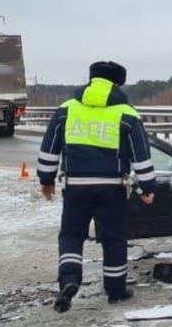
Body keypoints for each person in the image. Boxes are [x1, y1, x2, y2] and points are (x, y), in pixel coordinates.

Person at [37, 61, 157, 313]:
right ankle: (116, 290)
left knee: (71, 235)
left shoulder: (66, 110)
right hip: (113, 187)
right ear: (117, 84)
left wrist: (46, 180)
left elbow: (49, 149)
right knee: (114, 237)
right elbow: (141, 155)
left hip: (76, 186)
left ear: (91, 81)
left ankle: (69, 280)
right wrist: (147, 187)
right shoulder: (127, 113)